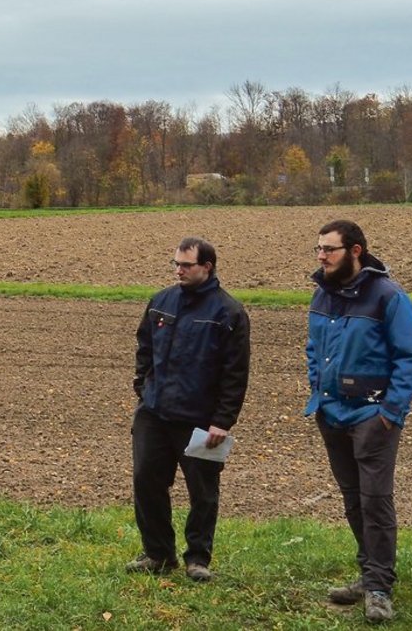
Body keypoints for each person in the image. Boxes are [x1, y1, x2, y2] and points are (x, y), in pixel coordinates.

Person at [307, 220, 412, 623]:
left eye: (330, 249)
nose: (321, 256)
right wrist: (316, 388)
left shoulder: (387, 296)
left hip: (372, 417)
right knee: (353, 500)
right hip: (332, 413)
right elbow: (313, 347)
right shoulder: (322, 295)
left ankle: (379, 588)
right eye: (319, 249)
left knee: (375, 501)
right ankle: (368, 573)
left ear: (355, 251)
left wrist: (390, 414)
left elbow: (411, 358)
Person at [128, 237, 250, 582]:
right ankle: (158, 553)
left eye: (186, 265)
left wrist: (222, 421)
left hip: (200, 420)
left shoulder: (229, 313)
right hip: (154, 413)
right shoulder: (161, 302)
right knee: (146, 482)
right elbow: (144, 347)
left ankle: (198, 558)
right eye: (175, 264)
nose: (178, 270)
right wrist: (143, 387)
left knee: (203, 491)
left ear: (207, 267)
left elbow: (235, 373)